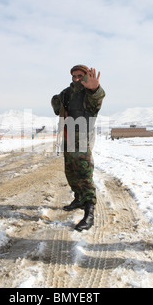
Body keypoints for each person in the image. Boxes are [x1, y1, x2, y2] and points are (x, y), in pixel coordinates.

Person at [51, 65, 105, 232]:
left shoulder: (89, 93)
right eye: (74, 76)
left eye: (80, 76)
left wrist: (95, 87)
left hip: (82, 138)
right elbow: (55, 100)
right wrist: (61, 109)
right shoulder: (66, 93)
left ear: (86, 77)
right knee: (71, 171)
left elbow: (98, 97)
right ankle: (78, 198)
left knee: (84, 173)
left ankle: (89, 211)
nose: (76, 79)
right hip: (68, 136)